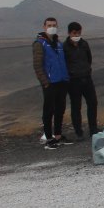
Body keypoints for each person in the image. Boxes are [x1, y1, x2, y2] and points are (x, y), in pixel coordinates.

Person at [33, 17, 70, 149]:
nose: (52, 27)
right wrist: (45, 82)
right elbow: (37, 65)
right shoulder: (40, 43)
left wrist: (66, 78)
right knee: (49, 110)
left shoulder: (58, 43)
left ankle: (58, 135)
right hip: (50, 82)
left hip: (62, 81)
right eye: (49, 25)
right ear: (44, 27)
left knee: (60, 109)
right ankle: (49, 138)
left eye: (54, 25)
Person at [64, 22, 98, 139]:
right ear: (69, 33)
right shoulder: (65, 47)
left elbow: (89, 58)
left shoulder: (84, 44)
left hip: (87, 78)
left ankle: (93, 129)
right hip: (73, 81)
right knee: (76, 106)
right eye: (74, 33)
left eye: (79, 32)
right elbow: (64, 63)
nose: (77, 35)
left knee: (93, 103)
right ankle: (78, 131)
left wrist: (87, 70)